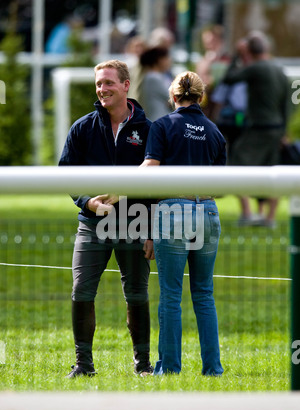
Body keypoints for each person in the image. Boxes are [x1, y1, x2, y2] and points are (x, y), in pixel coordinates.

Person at [59, 60, 154, 378]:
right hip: (91, 224)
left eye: (109, 83)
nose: (102, 89)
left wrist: (152, 231)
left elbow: (158, 185)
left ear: (126, 86)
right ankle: (83, 364)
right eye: (99, 84)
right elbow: (66, 175)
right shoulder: (82, 127)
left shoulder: (148, 130)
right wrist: (88, 202)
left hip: (136, 223)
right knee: (81, 290)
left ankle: (143, 364)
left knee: (137, 295)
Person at [141, 71, 226, 376]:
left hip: (172, 212)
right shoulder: (215, 132)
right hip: (208, 211)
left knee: (171, 295)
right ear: (201, 98)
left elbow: (150, 168)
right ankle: (213, 369)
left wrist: (116, 188)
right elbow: (220, 187)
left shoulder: (162, 125)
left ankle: (170, 369)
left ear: (173, 97)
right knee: (204, 293)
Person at [223, 31, 290, 227]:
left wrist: (237, 56)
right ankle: (269, 219)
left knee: (236, 164)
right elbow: (286, 105)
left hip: (259, 128)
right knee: (273, 170)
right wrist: (284, 132)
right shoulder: (280, 70)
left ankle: (247, 213)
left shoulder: (256, 69)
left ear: (249, 51)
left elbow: (229, 78)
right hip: (276, 129)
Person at [139, 47, 173, 121]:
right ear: (159, 60)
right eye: (166, 58)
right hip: (158, 121)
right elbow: (174, 97)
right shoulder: (153, 77)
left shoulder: (160, 76)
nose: (169, 61)